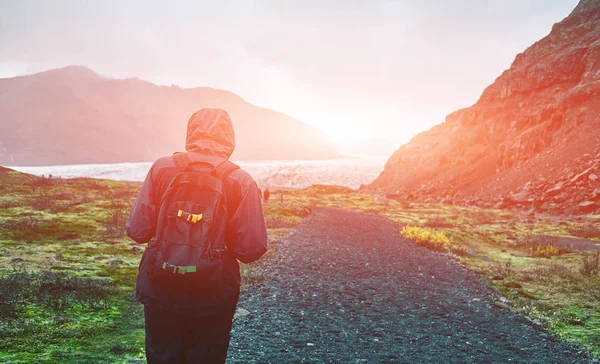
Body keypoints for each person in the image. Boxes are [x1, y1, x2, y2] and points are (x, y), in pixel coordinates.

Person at [126, 108, 268, 363]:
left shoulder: (162, 168)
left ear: (191, 131)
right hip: (212, 293)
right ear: (229, 137)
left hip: (160, 286)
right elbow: (250, 248)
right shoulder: (240, 180)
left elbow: (137, 230)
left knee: (162, 356)